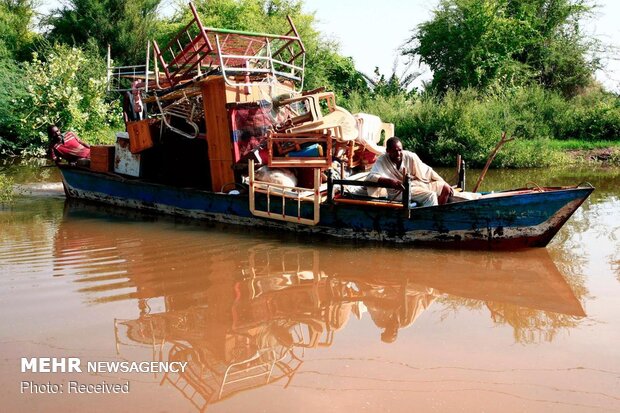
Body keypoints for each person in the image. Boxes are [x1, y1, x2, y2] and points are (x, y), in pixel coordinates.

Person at [367, 136, 453, 206]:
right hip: (399, 192)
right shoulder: (382, 160)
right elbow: (371, 177)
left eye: (400, 150)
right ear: (388, 151)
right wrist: (392, 182)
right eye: (394, 151)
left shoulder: (410, 156)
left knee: (445, 188)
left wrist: (444, 182)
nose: (398, 154)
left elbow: (427, 171)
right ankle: (429, 221)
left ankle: (439, 216)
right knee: (431, 195)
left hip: (415, 184)